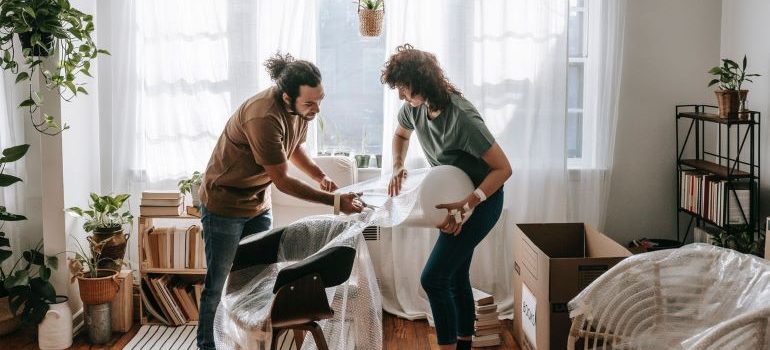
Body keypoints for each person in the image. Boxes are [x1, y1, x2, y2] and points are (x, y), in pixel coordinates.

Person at [196, 52, 363, 350]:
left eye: (320, 100)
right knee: (220, 281)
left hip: (258, 203)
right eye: (310, 103)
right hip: (224, 204)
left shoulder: (301, 111)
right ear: (287, 97)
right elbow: (283, 180)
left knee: (259, 278)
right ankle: (208, 345)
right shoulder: (263, 116)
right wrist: (335, 201)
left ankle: (247, 341)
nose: (317, 109)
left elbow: (294, 146)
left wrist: (319, 175)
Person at [381, 44, 512, 350]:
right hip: (455, 196)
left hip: (483, 200)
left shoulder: (461, 118)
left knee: (434, 279)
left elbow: (503, 169)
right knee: (454, 277)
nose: (401, 95)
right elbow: (400, 135)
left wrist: (467, 205)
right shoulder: (415, 108)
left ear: (422, 82)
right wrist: (398, 165)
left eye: (403, 87)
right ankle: (463, 345)